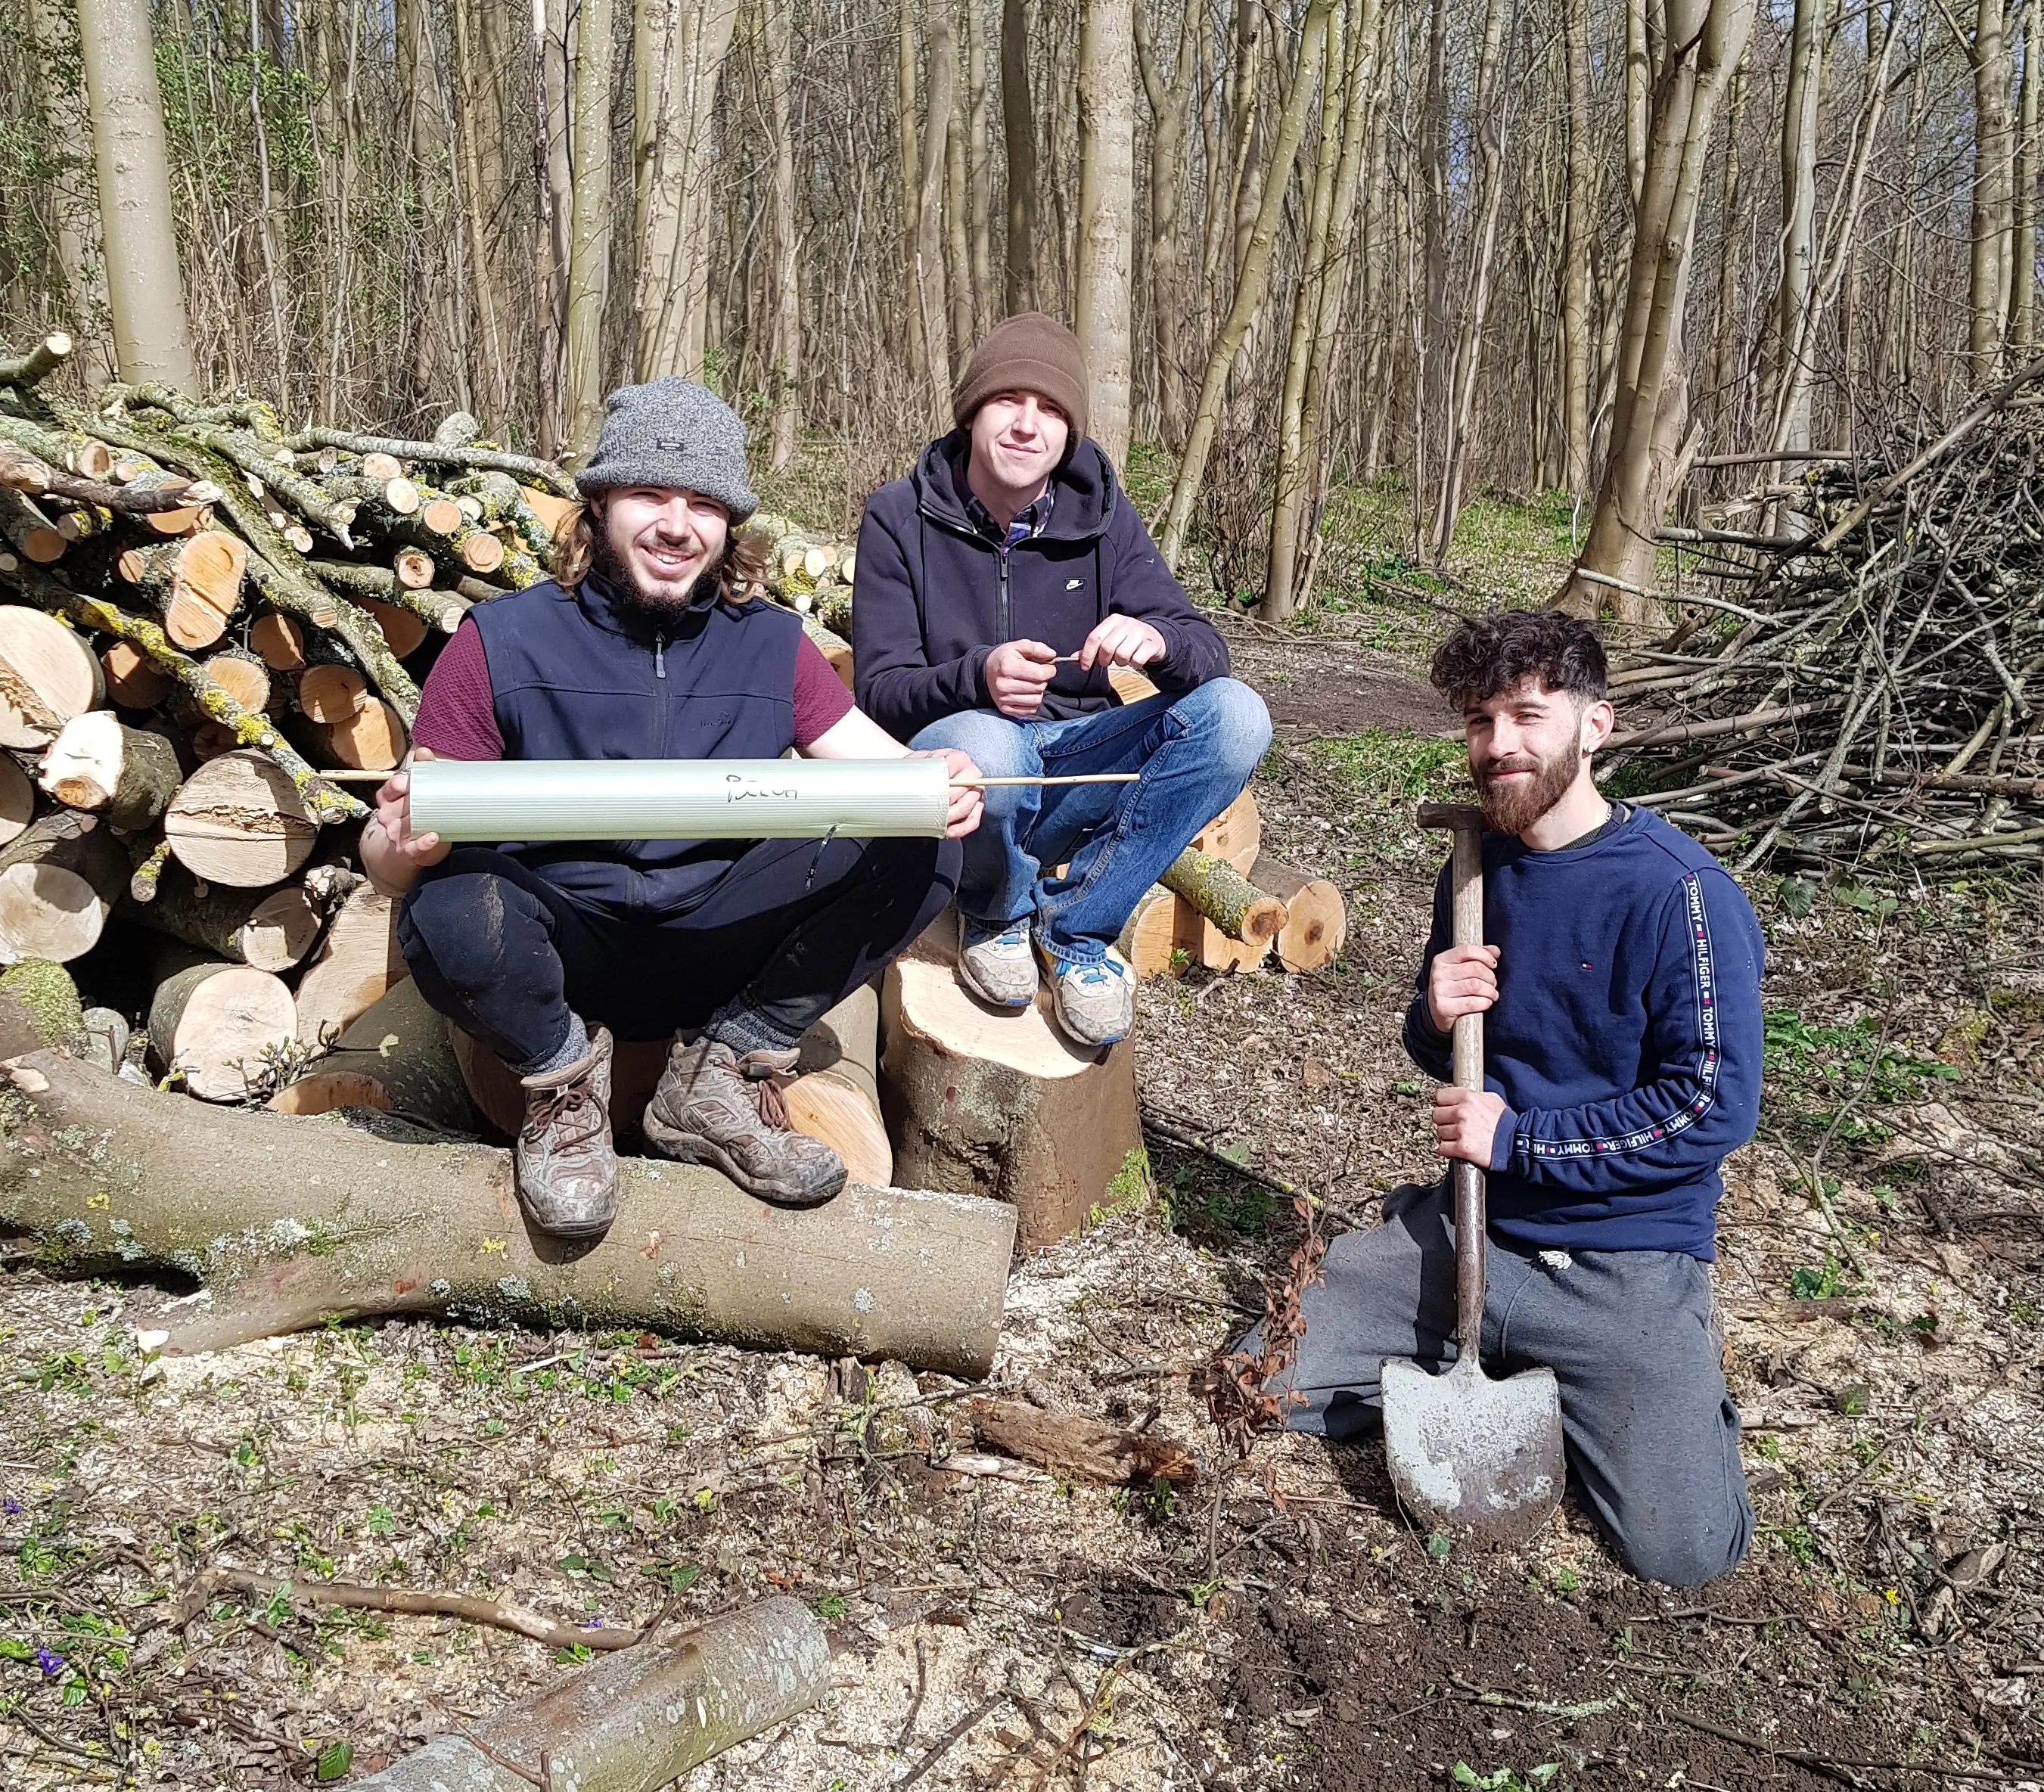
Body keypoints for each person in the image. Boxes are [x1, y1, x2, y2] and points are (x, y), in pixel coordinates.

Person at [362, 378, 982, 1244]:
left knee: (919, 839)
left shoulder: (770, 643)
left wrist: (937, 778)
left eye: (703, 503)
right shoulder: (502, 641)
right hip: (564, 953)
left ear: (730, 525)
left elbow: (887, 771)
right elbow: (386, 860)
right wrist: (400, 843)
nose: (676, 524)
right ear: (599, 503)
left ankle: (717, 1075)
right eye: (650, 494)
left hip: (717, 946)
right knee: (449, 898)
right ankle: (561, 1090)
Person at [1255, 610, 1763, 1587]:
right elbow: (1437, 1047)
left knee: (1684, 1549)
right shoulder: (1473, 866)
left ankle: (1651, 1386)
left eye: (1527, 715)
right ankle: (1480, 1364)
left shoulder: (1681, 895)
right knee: (1260, 1379)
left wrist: (1521, 1140)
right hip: (1468, 1228)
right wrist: (1432, 1015)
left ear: (1594, 725)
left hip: (1615, 1265)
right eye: (1479, 720)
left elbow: (1710, 1104)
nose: (1498, 744)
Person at [853, 312, 1272, 1047]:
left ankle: (1078, 927)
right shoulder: (898, 515)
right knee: (990, 742)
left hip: (1073, 773)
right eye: (1007, 401)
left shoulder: (1101, 517)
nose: (1027, 424)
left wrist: (1158, 640)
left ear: (1069, 432)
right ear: (971, 412)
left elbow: (1207, 653)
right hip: (963, 792)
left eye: (1049, 409)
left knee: (1236, 716)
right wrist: (976, 677)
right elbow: (878, 694)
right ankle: (994, 909)